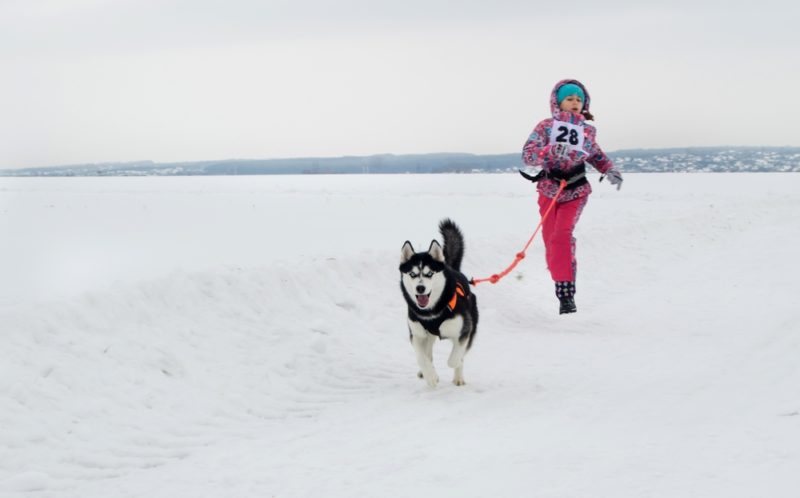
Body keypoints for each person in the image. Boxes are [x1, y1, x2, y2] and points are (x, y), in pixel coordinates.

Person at [520, 79, 622, 315]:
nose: (575, 103)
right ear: (558, 103)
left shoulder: (587, 130)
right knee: (550, 241)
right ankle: (560, 281)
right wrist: (548, 151)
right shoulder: (546, 127)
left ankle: (566, 293)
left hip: (576, 190)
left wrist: (609, 169)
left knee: (562, 235)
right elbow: (528, 155)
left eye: (579, 99)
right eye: (570, 99)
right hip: (549, 189)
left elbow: (595, 155)